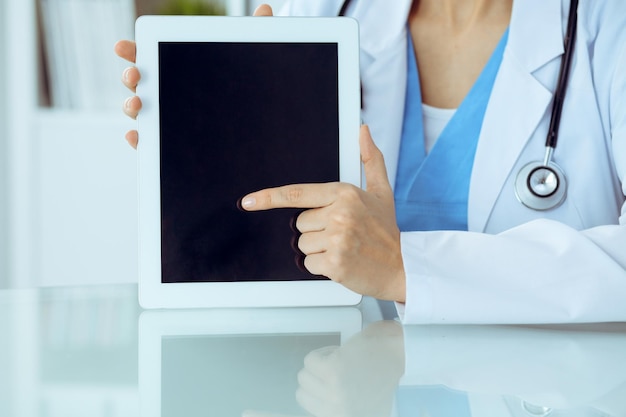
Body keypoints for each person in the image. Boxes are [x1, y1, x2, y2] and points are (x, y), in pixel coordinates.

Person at [115, 0, 626, 324]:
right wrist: (212, 150)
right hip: (338, 387)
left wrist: (407, 270)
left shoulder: (607, 26)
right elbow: (263, 238)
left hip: (545, 394)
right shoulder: (321, 14)